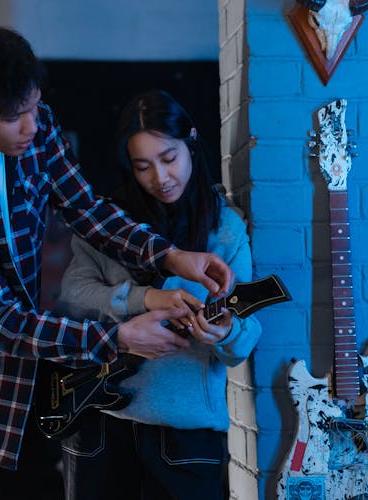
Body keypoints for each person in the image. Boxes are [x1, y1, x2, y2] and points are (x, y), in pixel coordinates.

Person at [0, 27, 235, 500]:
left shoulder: (36, 129)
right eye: (16, 116)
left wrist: (171, 255)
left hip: (34, 367)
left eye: (36, 105)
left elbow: (87, 210)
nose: (33, 125)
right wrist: (118, 336)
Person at [56, 90, 262, 500]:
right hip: (99, 420)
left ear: (191, 141)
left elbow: (244, 341)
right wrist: (142, 300)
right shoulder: (107, 222)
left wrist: (222, 333)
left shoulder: (225, 230)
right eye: (142, 166)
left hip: (185, 436)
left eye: (169, 159)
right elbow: (73, 294)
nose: (160, 178)